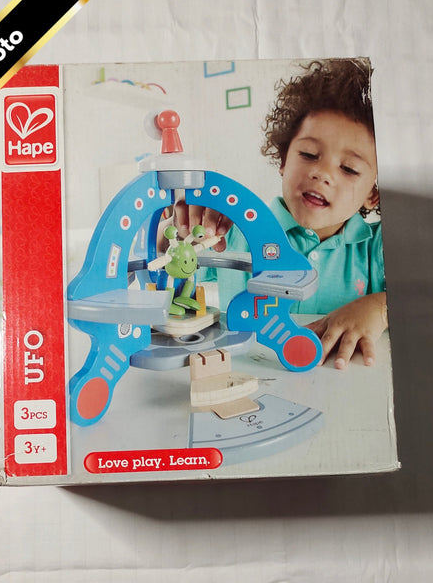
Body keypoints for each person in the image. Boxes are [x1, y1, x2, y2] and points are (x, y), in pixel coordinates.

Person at [165, 59, 388, 370]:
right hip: (249, 376)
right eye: (308, 154)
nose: (322, 173)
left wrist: (378, 307)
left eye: (349, 168)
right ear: (283, 160)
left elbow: (429, 297)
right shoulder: (233, 230)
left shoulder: (379, 247)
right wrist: (176, 230)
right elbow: (173, 265)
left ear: (373, 193)